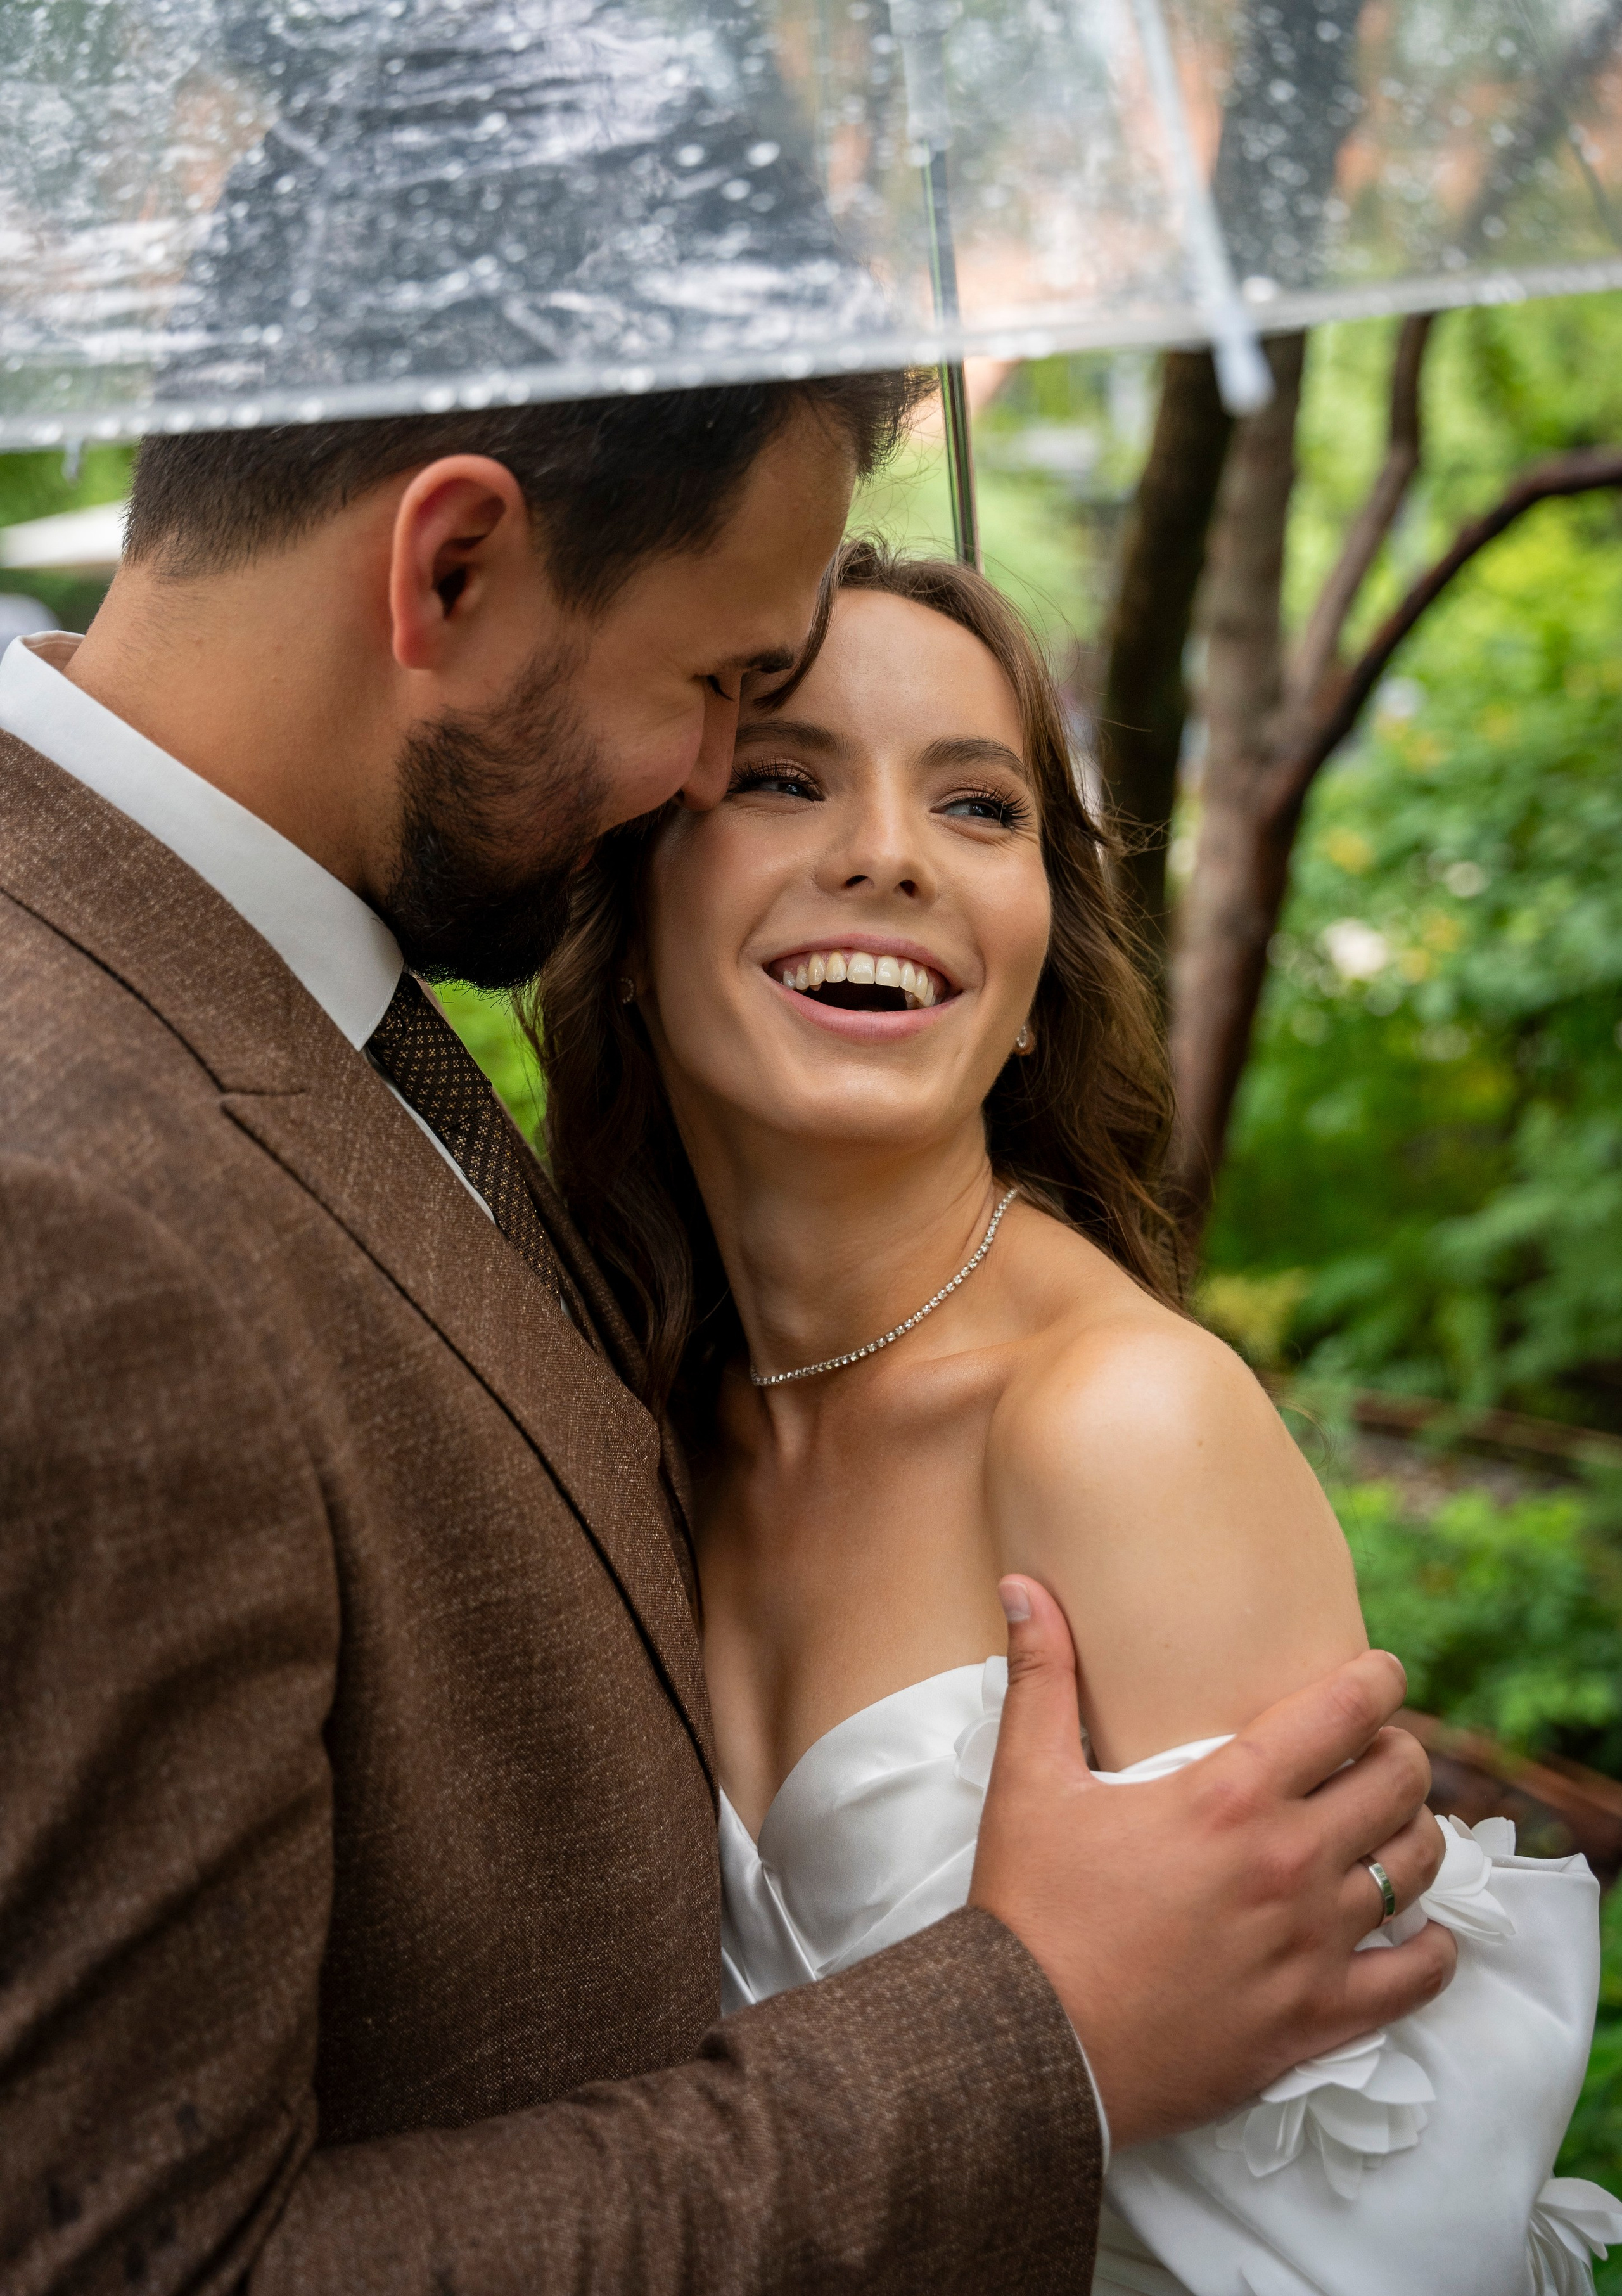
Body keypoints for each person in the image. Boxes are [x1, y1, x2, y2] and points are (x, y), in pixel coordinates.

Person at [0, 382, 1457, 2294]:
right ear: (451, 566)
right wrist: (1041, 2028)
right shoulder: (85, 1175)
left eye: (980, 802)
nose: (697, 776)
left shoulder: (327, 1020)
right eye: (739, 712)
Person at [532, 538, 1622, 2294]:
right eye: (788, 776)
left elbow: (1376, 2243)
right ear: (632, 913)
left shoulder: (1125, 1425)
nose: (885, 853)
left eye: (978, 807)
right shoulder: (644, 1414)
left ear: (1040, 970)